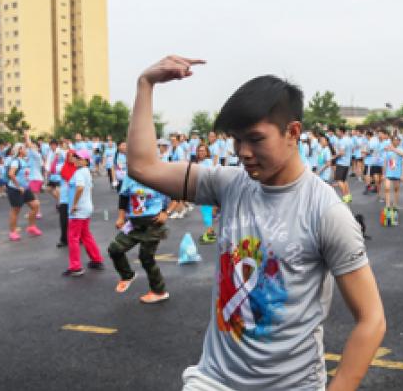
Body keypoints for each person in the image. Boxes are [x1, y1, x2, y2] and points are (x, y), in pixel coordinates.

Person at [127, 56, 385, 390]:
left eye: (256, 139)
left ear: (292, 132)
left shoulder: (326, 211)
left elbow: (372, 320)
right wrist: (145, 84)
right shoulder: (229, 184)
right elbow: (143, 166)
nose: (243, 152)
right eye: (236, 140)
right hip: (215, 380)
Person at [109, 171, 171, 303]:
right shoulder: (130, 176)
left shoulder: (159, 175)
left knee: (146, 258)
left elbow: (176, 195)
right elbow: (124, 197)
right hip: (134, 224)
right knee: (115, 249)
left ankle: (159, 291)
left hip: (153, 223)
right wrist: (121, 218)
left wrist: (166, 212)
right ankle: (127, 275)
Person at [63, 149, 104, 276]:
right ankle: (96, 259)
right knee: (85, 235)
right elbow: (89, 188)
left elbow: (80, 188)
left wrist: (74, 205)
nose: (76, 159)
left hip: (79, 209)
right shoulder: (85, 171)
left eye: (79, 158)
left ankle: (75, 267)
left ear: (86, 161)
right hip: (85, 207)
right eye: (75, 157)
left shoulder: (80, 172)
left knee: (73, 237)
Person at [5, 143, 41, 241]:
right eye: (24, 148)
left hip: (25, 188)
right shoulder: (15, 162)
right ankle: (12, 232)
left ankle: (31, 227)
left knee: (35, 205)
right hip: (15, 189)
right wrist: (18, 186)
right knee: (15, 210)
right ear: (20, 150)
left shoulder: (24, 160)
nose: (26, 150)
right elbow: (11, 174)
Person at [195, 144, 217, 244]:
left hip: (207, 190)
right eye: (200, 151)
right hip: (202, 190)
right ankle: (211, 232)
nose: (201, 152)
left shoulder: (208, 162)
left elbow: (210, 176)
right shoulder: (200, 162)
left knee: (207, 212)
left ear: (207, 152)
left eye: (203, 151)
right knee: (207, 212)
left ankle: (209, 235)